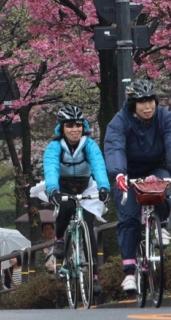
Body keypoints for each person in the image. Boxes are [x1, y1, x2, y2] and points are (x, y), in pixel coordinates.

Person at [104, 78, 171, 294]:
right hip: (128, 172)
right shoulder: (119, 121)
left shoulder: (164, 117)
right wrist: (119, 174)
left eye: (151, 101)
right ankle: (129, 273)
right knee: (128, 218)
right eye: (142, 102)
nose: (148, 106)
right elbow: (115, 148)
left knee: (160, 188)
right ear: (133, 104)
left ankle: (161, 225)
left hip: (155, 167)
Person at [43, 104, 110, 295]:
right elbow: (51, 168)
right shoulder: (54, 147)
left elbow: (98, 164)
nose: (75, 130)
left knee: (89, 229)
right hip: (63, 186)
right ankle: (59, 239)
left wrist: (104, 186)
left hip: (86, 185)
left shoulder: (89, 145)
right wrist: (53, 189)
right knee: (65, 208)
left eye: (78, 125)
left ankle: (94, 277)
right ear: (62, 128)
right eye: (70, 125)